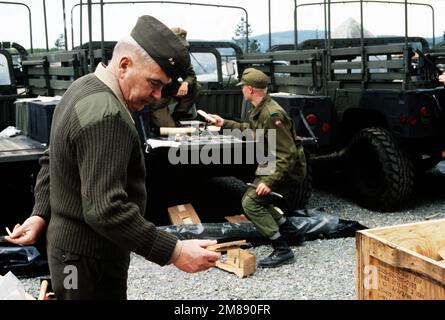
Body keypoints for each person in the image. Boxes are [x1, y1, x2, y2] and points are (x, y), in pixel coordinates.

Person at [5, 15, 220, 300]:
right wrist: (175, 251)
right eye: (153, 83)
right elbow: (106, 208)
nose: (157, 95)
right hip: (89, 264)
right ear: (124, 65)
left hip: (70, 257)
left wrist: (39, 213)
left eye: (162, 86)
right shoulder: (108, 115)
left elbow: (51, 158)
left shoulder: (81, 86)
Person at [206, 68, 307, 268]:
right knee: (260, 200)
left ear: (250, 89)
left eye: (243, 87)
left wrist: (269, 182)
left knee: (251, 202)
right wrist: (223, 123)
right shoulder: (260, 108)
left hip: (286, 168)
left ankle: (282, 249)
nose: (242, 90)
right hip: (273, 163)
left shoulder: (272, 114)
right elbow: (251, 131)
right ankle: (293, 234)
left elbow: (288, 154)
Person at [148, 27, 201, 132]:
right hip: (156, 97)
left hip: (170, 90)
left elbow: (191, 75)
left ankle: (177, 116)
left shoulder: (182, 57)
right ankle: (156, 121)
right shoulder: (154, 54)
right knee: (170, 131)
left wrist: (185, 83)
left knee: (196, 87)